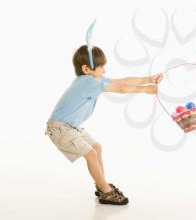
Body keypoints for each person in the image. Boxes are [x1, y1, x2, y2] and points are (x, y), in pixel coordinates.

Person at [45, 44, 163, 205]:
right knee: (91, 154)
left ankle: (102, 185)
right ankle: (106, 192)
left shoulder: (91, 80)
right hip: (60, 128)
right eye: (101, 67)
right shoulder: (87, 82)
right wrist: (145, 90)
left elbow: (123, 81)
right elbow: (121, 89)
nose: (104, 71)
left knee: (97, 148)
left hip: (70, 126)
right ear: (86, 69)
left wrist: (149, 79)